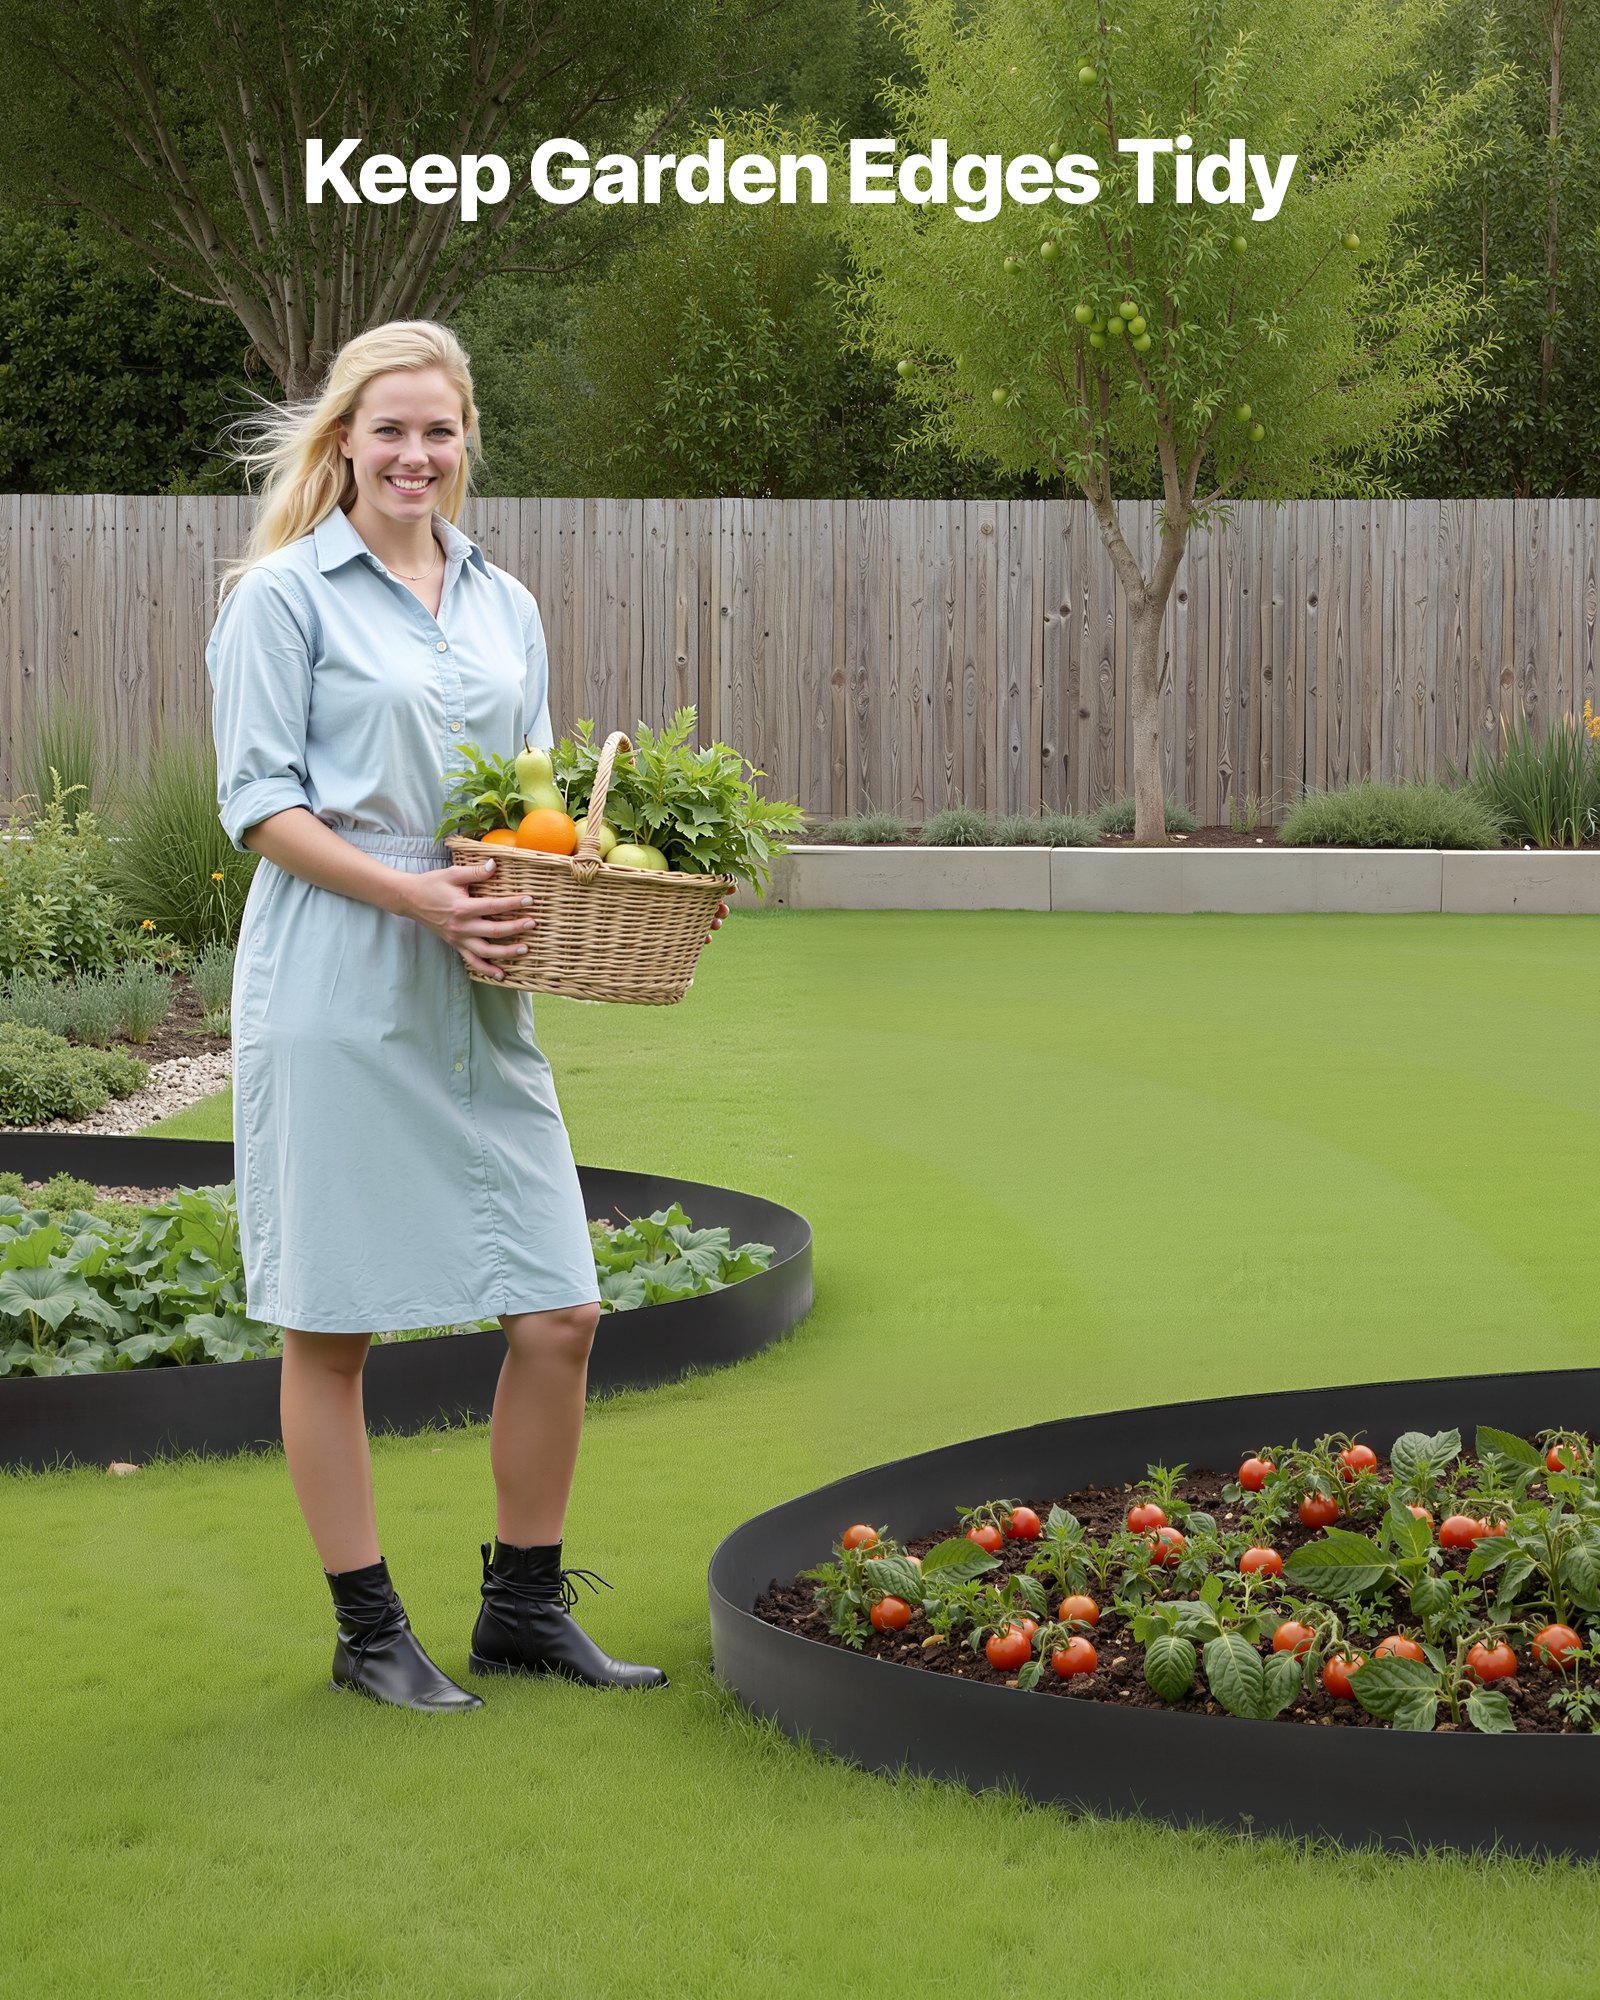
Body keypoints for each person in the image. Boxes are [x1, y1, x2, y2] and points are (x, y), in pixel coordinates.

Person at [204, 319, 727, 1712]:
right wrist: (416, 895)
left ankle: (525, 1608)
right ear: (344, 441)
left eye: (438, 431)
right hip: (338, 980)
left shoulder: (507, 600)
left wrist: (628, 875)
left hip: (479, 979)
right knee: (333, 1322)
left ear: (465, 440)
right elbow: (258, 805)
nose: (415, 456)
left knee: (559, 1310)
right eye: (389, 431)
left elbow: (531, 798)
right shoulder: (281, 598)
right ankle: (370, 1630)